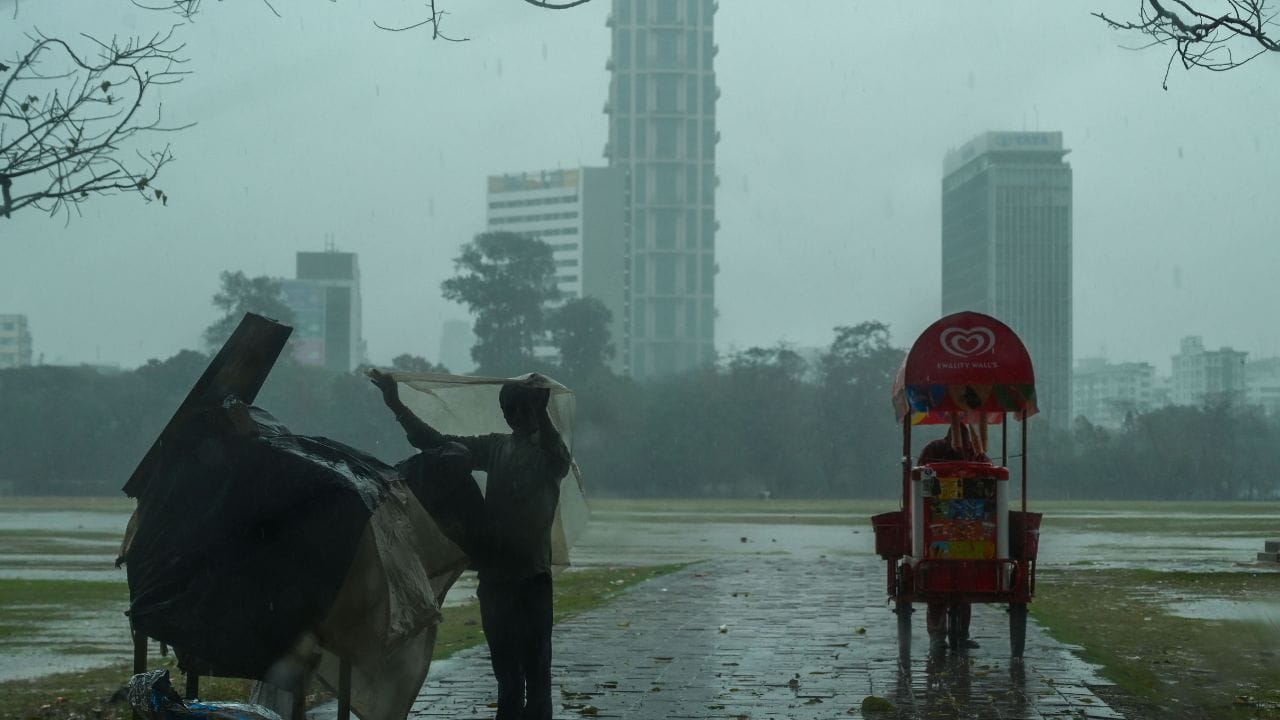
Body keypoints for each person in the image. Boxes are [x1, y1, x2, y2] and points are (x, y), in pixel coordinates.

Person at [369, 369, 572, 720]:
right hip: (496, 581)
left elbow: (558, 455)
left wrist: (542, 411)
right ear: (506, 415)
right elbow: (437, 443)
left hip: (532, 579)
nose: (515, 416)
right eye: (510, 410)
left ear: (534, 412)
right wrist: (396, 405)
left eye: (523, 409)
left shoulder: (549, 456)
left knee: (537, 675)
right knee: (508, 678)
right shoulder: (496, 447)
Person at [919, 419, 990, 652]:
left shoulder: (977, 455)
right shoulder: (933, 450)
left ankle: (960, 634)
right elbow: (919, 480)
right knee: (938, 589)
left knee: (964, 587)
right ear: (949, 439)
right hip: (937, 524)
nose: (961, 447)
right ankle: (938, 637)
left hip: (970, 525)